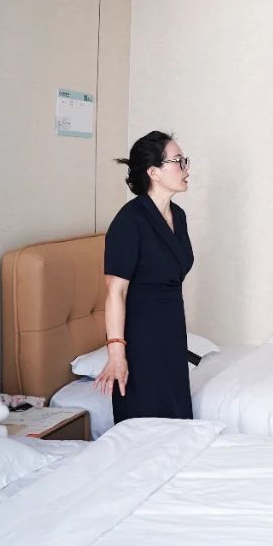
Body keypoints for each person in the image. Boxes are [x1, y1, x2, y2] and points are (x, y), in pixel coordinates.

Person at [95, 131, 196, 422]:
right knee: (147, 423)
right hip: (141, 338)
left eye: (185, 161)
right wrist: (116, 353)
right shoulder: (130, 221)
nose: (186, 169)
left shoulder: (178, 216)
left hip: (172, 333)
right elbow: (115, 292)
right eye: (178, 161)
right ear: (154, 172)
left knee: (176, 422)